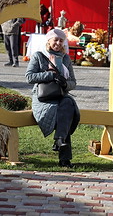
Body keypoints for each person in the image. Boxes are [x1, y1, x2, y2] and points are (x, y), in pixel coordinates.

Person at [25, 29, 80, 168]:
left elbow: (73, 82)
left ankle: (59, 139)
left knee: (68, 106)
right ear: (48, 41)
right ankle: (64, 159)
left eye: (61, 41)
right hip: (43, 98)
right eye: (55, 40)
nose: (58, 43)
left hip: (60, 95)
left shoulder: (66, 58)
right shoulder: (39, 56)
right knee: (66, 114)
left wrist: (65, 83)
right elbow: (29, 77)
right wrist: (50, 75)